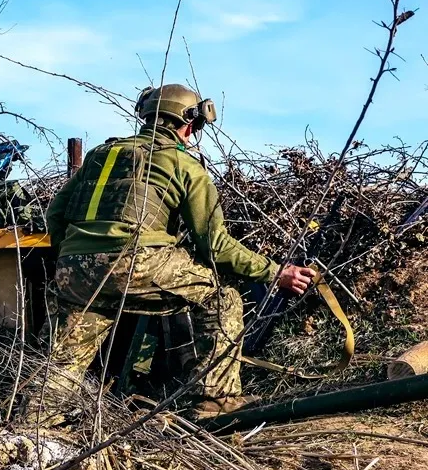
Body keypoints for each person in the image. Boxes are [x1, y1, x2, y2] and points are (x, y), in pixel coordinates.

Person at [35, 83, 314, 421]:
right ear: (189, 124)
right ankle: (216, 400)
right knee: (221, 299)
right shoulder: (185, 166)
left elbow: (55, 214)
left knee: (63, 360)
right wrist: (275, 272)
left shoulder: (100, 155)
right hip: (136, 263)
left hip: (74, 270)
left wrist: (77, 257)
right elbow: (215, 246)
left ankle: (34, 425)